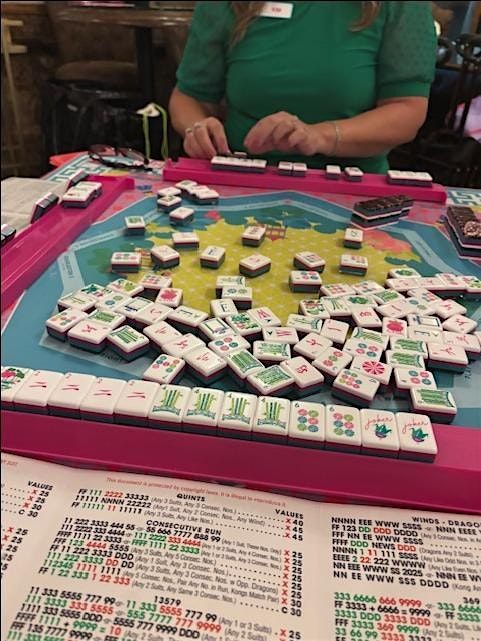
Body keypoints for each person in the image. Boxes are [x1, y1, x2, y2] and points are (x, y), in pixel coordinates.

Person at [168, 1, 437, 174]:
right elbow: (190, 96)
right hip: (236, 177)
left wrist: (318, 136)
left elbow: (407, 110)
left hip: (350, 188)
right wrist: (197, 128)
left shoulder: (400, 6)